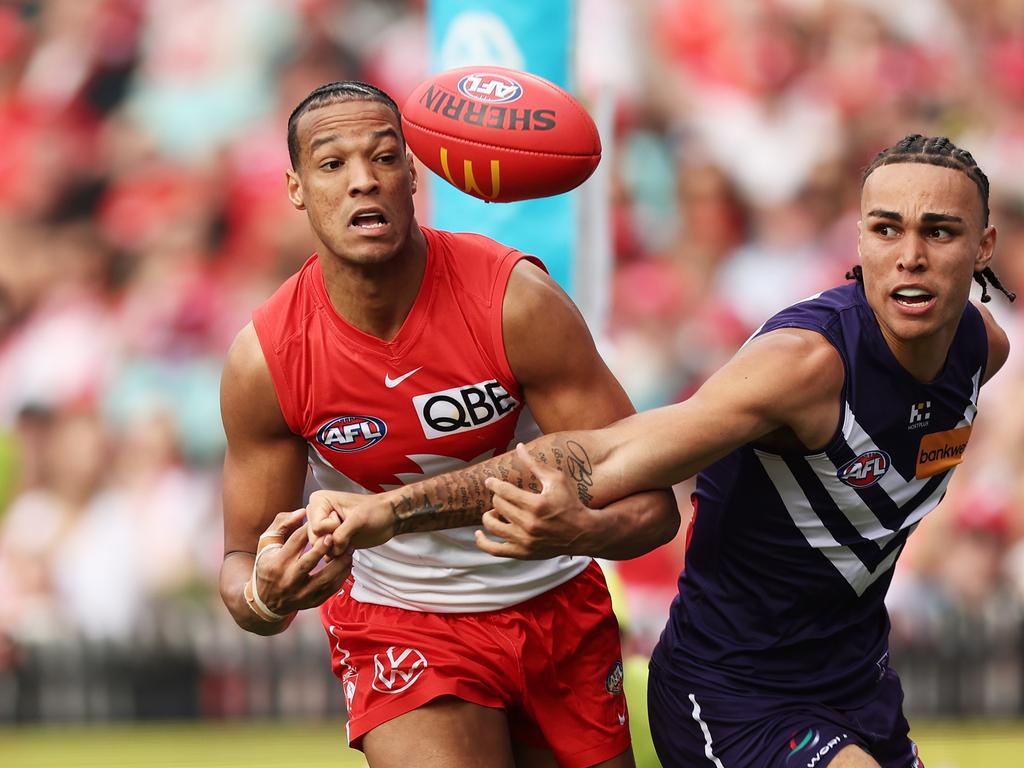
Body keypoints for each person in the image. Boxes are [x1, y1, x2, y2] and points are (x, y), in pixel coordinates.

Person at [306, 134, 1015, 768]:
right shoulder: (805, 366)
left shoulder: (983, 348)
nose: (910, 256)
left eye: (940, 232)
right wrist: (386, 514)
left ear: (983, 247)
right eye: (886, 230)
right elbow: (605, 454)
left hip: (859, 684)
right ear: (858, 241)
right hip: (735, 694)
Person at [218, 80, 679, 768]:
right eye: (332, 164)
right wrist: (263, 595)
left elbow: (653, 506)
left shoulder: (515, 302)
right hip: (402, 625)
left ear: (414, 172)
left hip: (556, 609)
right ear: (295, 187)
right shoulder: (267, 359)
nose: (362, 183)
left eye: (383, 158)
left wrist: (586, 529)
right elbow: (242, 567)